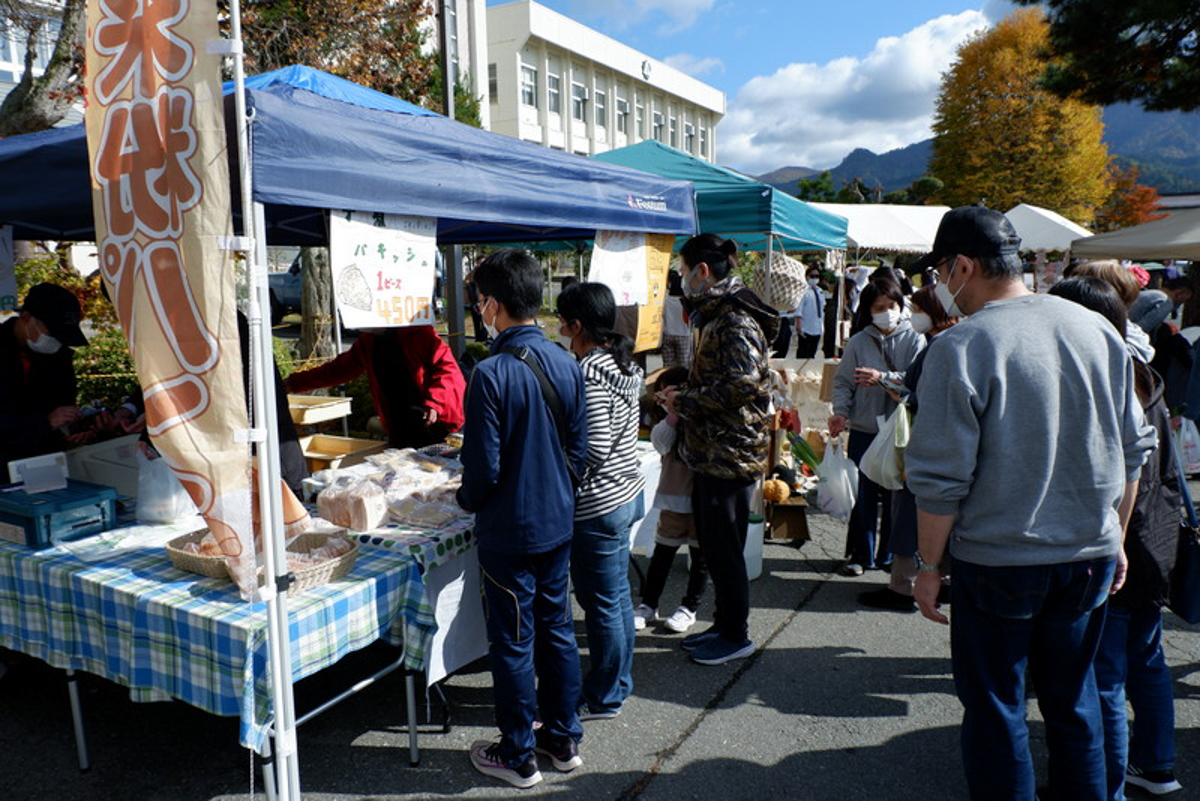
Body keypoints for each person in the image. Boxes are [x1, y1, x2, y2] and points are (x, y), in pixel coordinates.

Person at [904, 206, 1156, 800]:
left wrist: (928, 568)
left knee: (997, 709)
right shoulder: (1095, 328)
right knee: (1075, 702)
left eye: (942, 270)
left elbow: (941, 482)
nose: (940, 286)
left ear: (964, 265)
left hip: (999, 560)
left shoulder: (960, 346)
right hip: (1088, 553)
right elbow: (1133, 451)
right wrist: (1116, 538)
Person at [455, 249, 588, 789]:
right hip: (557, 523)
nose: (479, 312)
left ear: (492, 305)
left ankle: (518, 754)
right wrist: (555, 490)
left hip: (509, 532)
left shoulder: (490, 373)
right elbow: (580, 450)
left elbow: (482, 470)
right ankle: (563, 738)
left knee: (512, 640)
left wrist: (466, 500)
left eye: (479, 303)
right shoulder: (565, 360)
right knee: (555, 630)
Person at [1050, 275, 1185, 800]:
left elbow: (1112, 473)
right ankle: (1158, 767)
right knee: (1147, 662)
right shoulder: (1142, 370)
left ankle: (1106, 783)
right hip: (1157, 535)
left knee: (1103, 675)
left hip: (1118, 543)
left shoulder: (1102, 377)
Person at [662, 234, 778, 666]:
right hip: (714, 450)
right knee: (714, 547)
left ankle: (736, 633)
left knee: (724, 551)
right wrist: (684, 391)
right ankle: (724, 624)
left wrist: (686, 402)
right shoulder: (717, 314)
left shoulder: (733, 319)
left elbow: (741, 383)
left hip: (729, 454)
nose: (681, 278)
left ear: (702, 271)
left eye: (682, 269)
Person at [556, 281, 645, 719]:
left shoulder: (590, 370)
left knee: (603, 604)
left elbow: (594, 447)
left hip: (599, 503)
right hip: (627, 490)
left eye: (562, 321)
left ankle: (606, 695)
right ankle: (618, 684)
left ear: (577, 325)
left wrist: (560, 474)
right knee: (617, 599)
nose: (559, 329)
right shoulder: (625, 363)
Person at [858, 284, 955, 612]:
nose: (913, 316)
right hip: (941, 446)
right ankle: (932, 581)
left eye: (916, 310)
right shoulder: (951, 341)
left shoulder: (939, 345)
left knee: (909, 515)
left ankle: (904, 588)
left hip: (924, 444)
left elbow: (920, 390)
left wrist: (890, 384)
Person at [828, 279, 924, 577]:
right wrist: (840, 413)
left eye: (891, 306)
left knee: (896, 496)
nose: (886, 312)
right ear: (868, 311)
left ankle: (890, 556)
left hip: (900, 430)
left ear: (900, 306)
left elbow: (916, 381)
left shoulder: (915, 339)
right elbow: (843, 381)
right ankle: (861, 555)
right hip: (864, 427)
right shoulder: (858, 341)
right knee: (863, 496)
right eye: (878, 308)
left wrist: (882, 377)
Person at [284, 324, 465, 449]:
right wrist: (293, 383)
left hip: (434, 426)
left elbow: (448, 370)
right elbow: (340, 369)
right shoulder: (368, 341)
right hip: (398, 426)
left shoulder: (419, 333)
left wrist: (434, 402)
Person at [633, 366, 708, 634]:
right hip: (674, 499)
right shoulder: (668, 420)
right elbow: (661, 444)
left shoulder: (704, 413)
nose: (663, 396)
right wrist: (673, 413)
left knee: (701, 559)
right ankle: (648, 604)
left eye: (668, 390)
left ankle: (689, 607)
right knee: (662, 555)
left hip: (703, 500)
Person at [0, 283, 92, 478]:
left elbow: (63, 403)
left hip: (45, 466)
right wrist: (44, 423)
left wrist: (74, 427)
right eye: (53, 333)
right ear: (26, 319)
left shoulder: (58, 357)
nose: (57, 342)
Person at [661, 270, 692, 369]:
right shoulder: (686, 301)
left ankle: (667, 383)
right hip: (683, 335)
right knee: (683, 366)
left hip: (667, 335)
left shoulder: (664, 300)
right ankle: (681, 384)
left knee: (668, 366)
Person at [794, 266, 826, 358]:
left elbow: (822, 308)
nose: (815, 278)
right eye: (812, 276)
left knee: (812, 353)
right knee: (803, 352)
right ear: (807, 277)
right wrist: (798, 324)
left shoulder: (820, 291)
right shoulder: (803, 291)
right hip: (806, 327)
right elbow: (798, 309)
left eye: (817, 276)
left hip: (817, 327)